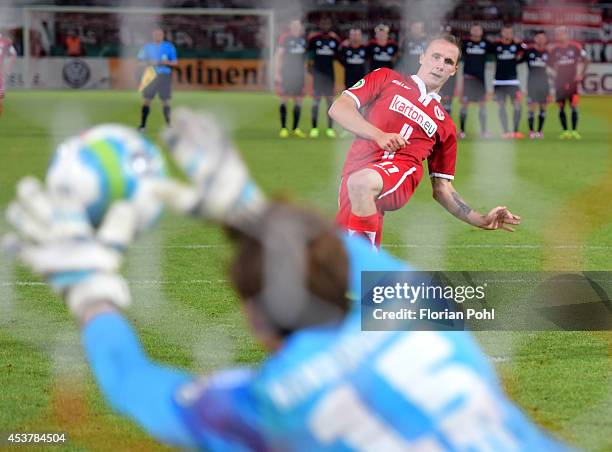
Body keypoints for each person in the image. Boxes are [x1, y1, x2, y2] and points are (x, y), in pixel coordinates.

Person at [4, 109, 570, 451]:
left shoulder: (270, 401)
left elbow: (133, 387)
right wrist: (248, 206)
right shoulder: (423, 315)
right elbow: (357, 260)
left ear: (255, 316)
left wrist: (89, 289)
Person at [329, 35, 521, 249]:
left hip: (399, 172)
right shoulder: (386, 78)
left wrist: (482, 219)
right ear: (422, 57)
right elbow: (339, 108)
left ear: (454, 70)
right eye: (436, 57)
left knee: (362, 183)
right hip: (356, 172)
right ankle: (368, 270)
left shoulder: (445, 123)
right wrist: (378, 135)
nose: (440, 65)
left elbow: (442, 188)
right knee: (337, 256)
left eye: (448, 62)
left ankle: (365, 266)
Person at [549, 26, 589, 140]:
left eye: (562, 33)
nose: (559, 36)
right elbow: (549, 63)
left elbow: (586, 60)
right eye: (558, 34)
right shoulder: (554, 49)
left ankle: (575, 131)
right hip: (559, 83)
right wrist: (555, 71)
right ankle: (565, 131)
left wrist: (581, 74)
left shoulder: (576, 47)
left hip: (572, 83)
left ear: (567, 35)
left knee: (574, 106)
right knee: (561, 107)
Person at [137, 26, 178, 132]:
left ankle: (169, 126)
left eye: (159, 34)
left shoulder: (169, 47)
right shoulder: (146, 47)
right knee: (147, 100)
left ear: (163, 35)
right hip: (150, 75)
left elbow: (175, 62)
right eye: (156, 34)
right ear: (153, 35)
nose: (157, 36)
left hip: (164, 76)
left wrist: (166, 62)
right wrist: (150, 62)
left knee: (165, 101)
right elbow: (140, 62)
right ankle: (143, 125)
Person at [307, 17, 340, 138]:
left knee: (330, 104)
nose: (325, 26)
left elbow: (339, 55)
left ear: (330, 26)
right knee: (315, 103)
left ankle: (330, 129)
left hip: (329, 76)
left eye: (327, 24)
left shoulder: (334, 40)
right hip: (317, 77)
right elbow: (308, 54)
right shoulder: (314, 39)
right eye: (323, 24)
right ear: (320, 26)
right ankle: (314, 128)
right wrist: (309, 67)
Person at [275, 18, 308, 138]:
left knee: (298, 101)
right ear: (291, 27)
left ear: (300, 27)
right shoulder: (285, 38)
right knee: (284, 99)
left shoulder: (303, 40)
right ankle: (283, 128)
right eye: (294, 26)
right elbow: (279, 56)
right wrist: (277, 73)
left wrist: (304, 72)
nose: (296, 28)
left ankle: (295, 128)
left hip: (299, 75)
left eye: (297, 26)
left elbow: (304, 59)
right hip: (287, 73)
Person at [492, 25, 526, 139]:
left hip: (513, 82)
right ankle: (505, 131)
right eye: (505, 32)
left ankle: (515, 131)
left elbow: (527, 51)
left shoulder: (516, 45)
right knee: (501, 106)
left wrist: (517, 61)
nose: (507, 34)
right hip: (499, 82)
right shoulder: (496, 45)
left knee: (517, 106)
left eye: (509, 32)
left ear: (512, 34)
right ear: (502, 33)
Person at [459, 24, 492, 139]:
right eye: (474, 29)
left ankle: (484, 131)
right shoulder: (464, 43)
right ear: (471, 31)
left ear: (482, 32)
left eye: (478, 29)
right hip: (468, 78)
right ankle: (462, 131)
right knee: (464, 105)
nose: (476, 31)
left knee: (482, 105)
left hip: (481, 80)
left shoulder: (486, 44)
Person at [519, 31, 551, 139]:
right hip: (531, 84)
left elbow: (557, 66)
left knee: (543, 108)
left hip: (544, 84)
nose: (541, 40)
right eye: (539, 37)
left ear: (545, 40)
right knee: (531, 108)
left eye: (543, 38)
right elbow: (517, 61)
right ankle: (532, 131)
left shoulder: (548, 53)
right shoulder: (529, 52)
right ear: (535, 39)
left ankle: (540, 131)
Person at [0, 30, 17, 120]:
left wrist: (8, 66)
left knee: (1, 97)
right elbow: (13, 54)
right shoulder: (6, 41)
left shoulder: (6, 41)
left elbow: (13, 54)